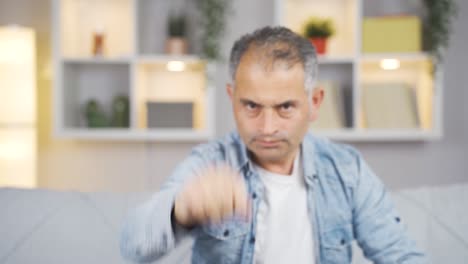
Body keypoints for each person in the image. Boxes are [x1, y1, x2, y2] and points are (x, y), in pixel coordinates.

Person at [120, 26, 428, 264]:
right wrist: (180, 210)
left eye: (285, 107)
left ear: (314, 102)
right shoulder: (210, 162)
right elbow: (133, 244)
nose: (267, 128)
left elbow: (400, 256)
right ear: (232, 98)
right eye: (251, 106)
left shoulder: (347, 170)